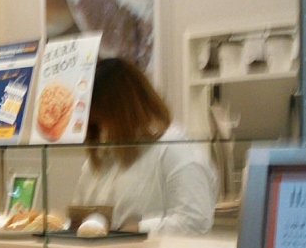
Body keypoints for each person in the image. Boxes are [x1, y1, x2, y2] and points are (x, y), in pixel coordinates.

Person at [72, 57, 217, 233]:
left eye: (102, 120)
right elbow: (82, 215)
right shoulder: (103, 154)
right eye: (95, 123)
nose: (100, 130)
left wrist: (136, 230)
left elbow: (194, 221)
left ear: (125, 111)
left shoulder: (175, 148)